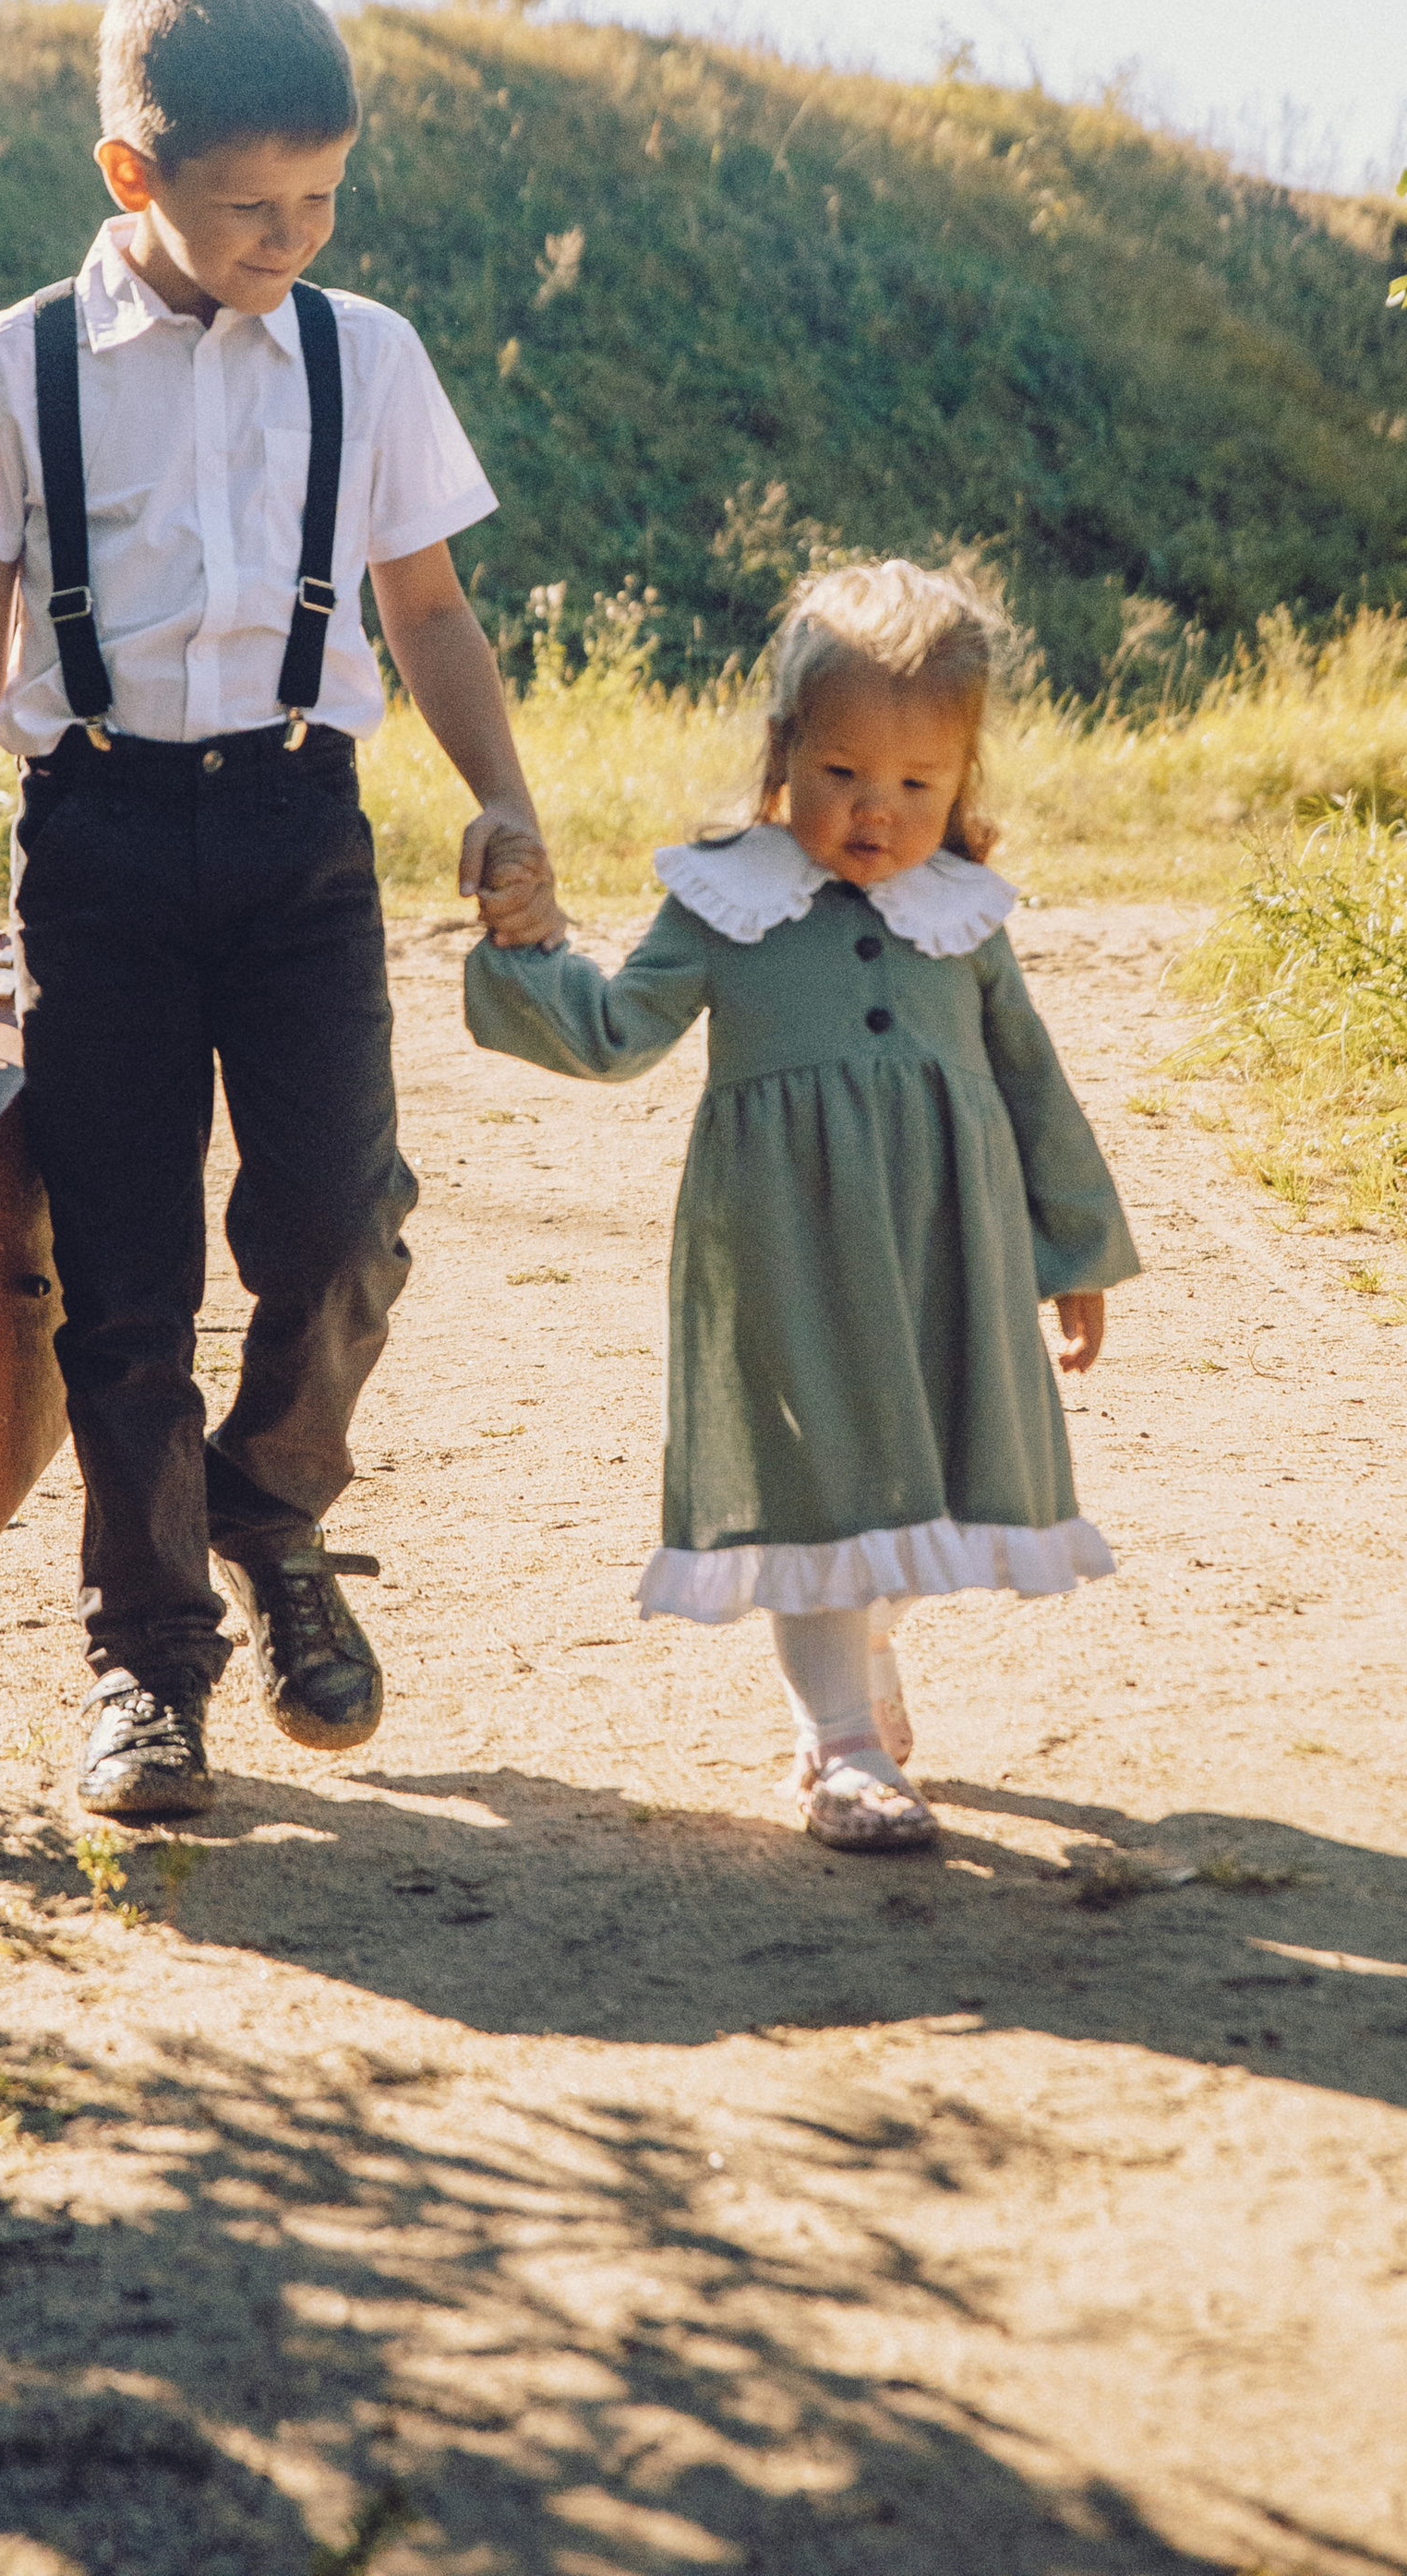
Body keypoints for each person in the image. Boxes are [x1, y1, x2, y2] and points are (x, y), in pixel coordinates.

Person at [0, 0, 561, 1821]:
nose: (289, 238)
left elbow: (424, 607)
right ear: (132, 176)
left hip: (296, 837)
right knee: (120, 1278)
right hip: (92, 846)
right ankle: (148, 1665)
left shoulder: (368, 356)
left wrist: (503, 801)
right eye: (248, 206)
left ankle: (271, 1520)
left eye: (319, 202)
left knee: (343, 1224)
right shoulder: (14, 366)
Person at [463, 559, 1138, 1852]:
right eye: (841, 775)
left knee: (922, 1468)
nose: (875, 813)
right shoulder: (730, 897)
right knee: (814, 1480)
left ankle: (870, 1644)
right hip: (783, 1245)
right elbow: (615, 1032)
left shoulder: (962, 915)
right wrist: (526, 948)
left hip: (946, 1243)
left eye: (917, 786)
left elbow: (1032, 1084)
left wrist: (1075, 1253)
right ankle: (835, 1742)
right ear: (785, 752)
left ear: (963, 782)